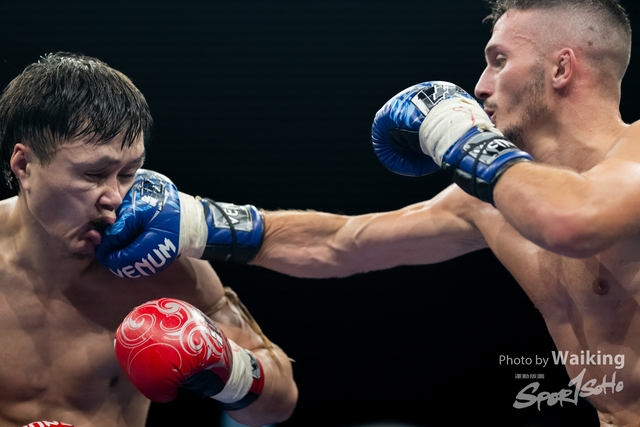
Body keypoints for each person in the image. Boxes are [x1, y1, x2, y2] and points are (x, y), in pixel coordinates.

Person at [97, 0, 640, 425]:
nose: (480, 85)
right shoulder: (493, 201)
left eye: (499, 60)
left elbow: (575, 220)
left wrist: (463, 140)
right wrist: (202, 222)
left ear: (561, 68)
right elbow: (342, 243)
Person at [0, 52, 297, 427]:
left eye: (128, 173)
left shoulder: (159, 267)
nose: (116, 197)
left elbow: (280, 403)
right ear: (24, 165)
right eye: (94, 174)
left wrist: (227, 366)